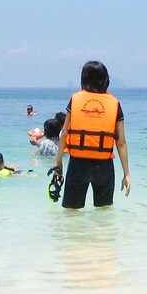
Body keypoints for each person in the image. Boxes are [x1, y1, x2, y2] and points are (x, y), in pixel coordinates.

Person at [53, 60, 130, 209]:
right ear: (106, 79)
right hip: (104, 167)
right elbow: (121, 142)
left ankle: (74, 233)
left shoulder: (75, 100)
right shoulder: (115, 103)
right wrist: (126, 173)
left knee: (71, 212)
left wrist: (58, 162)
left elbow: (64, 133)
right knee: (103, 212)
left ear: (84, 79)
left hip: (78, 165)